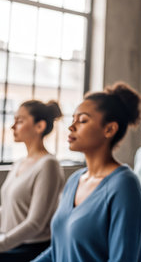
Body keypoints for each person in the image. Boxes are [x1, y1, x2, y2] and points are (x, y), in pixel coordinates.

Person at [33, 82, 141, 262]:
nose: (72, 127)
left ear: (109, 129)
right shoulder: (75, 180)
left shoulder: (125, 187)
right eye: (73, 120)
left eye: (83, 120)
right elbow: (59, 250)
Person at [0, 100, 64, 262]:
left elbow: (35, 223)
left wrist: (2, 244)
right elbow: (8, 208)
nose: (13, 126)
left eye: (20, 121)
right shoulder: (19, 163)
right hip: (10, 242)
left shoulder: (49, 165)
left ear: (39, 126)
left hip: (30, 249)